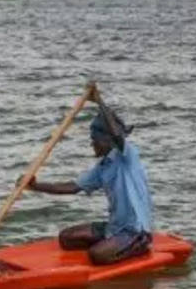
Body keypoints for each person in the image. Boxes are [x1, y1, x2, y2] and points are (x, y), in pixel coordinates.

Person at [20, 102, 152, 264]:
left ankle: (138, 246)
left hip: (134, 231)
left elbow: (117, 135)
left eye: (94, 140)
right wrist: (35, 186)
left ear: (107, 140)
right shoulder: (102, 168)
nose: (92, 144)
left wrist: (99, 102)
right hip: (114, 228)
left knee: (96, 255)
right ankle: (112, 244)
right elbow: (72, 187)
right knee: (66, 238)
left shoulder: (127, 156)